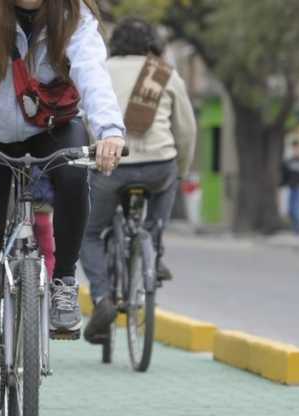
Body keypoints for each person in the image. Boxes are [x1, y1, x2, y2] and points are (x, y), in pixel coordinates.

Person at [0, 0, 126, 416]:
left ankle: (64, 281)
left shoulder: (73, 14)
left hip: (53, 128)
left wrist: (109, 131)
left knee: (76, 176)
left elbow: (92, 71)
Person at [78, 17, 196, 345]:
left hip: (111, 164)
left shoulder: (100, 69)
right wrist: (180, 171)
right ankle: (154, 252)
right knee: (161, 199)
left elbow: (84, 117)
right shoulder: (163, 73)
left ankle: (102, 298)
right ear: (152, 45)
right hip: (159, 166)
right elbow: (185, 131)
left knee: (89, 233)